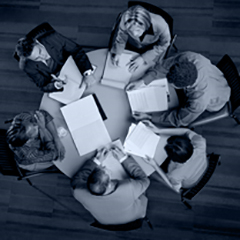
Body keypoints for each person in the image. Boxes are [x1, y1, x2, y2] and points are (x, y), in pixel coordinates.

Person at [128, 51, 231, 127]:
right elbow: (164, 66)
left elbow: (179, 119)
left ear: (184, 88)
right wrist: (143, 81)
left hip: (217, 99)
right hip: (217, 78)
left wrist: (150, 117)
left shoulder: (198, 102)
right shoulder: (189, 57)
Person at [71, 146, 150, 225]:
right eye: (107, 173)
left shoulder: (79, 193)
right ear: (109, 185)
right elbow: (145, 181)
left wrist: (96, 162)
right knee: (141, 189)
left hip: (104, 223)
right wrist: (124, 159)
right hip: (135, 218)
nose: (104, 166)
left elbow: (76, 180)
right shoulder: (128, 188)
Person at [15, 24, 96, 92]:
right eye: (37, 58)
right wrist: (55, 85)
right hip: (63, 82)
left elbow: (76, 50)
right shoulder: (27, 66)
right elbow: (42, 85)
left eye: (40, 51)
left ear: (37, 42)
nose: (43, 57)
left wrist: (87, 73)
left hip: (72, 65)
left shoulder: (52, 37)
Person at [141, 120, 208, 193]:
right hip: (202, 166)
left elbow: (175, 188)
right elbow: (186, 132)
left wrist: (155, 165)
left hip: (188, 182)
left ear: (172, 160)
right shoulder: (200, 142)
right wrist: (158, 130)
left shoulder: (175, 175)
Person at [110, 5, 171, 72]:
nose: (135, 34)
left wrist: (144, 58)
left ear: (146, 24)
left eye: (138, 30)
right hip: (133, 44)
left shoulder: (161, 24)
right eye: (130, 30)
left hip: (153, 49)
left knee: (148, 72)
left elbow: (164, 45)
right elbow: (122, 36)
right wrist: (118, 52)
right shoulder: (125, 19)